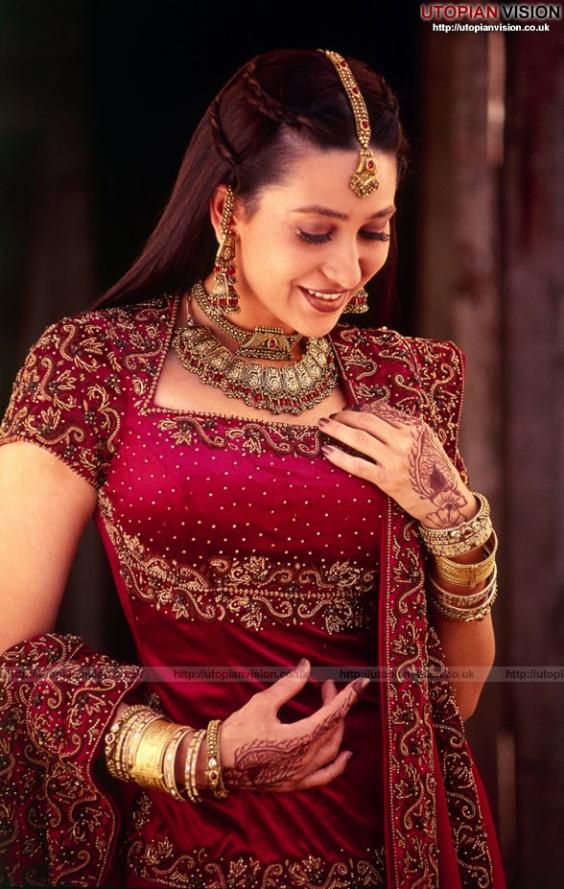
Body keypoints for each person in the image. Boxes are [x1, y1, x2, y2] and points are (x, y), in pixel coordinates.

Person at [0, 48, 506, 888]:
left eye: (373, 231)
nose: (345, 270)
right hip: (183, 855)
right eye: (314, 231)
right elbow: (8, 653)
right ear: (227, 210)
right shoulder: (93, 366)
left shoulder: (405, 383)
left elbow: (453, 698)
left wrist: (456, 523)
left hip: (391, 857)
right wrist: (191, 757)